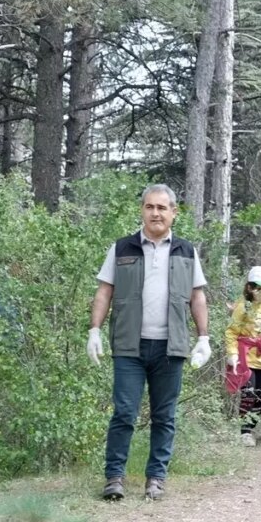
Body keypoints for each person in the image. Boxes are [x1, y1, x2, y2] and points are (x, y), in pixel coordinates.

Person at [87, 184, 211, 501]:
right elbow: (104, 291)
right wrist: (94, 330)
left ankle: (156, 478)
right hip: (130, 346)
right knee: (124, 413)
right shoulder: (122, 248)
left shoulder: (186, 250)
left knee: (164, 416)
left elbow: (197, 296)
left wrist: (204, 338)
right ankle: (114, 477)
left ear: (173, 213)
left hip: (170, 348)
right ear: (142, 210)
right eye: (149, 207)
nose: (155, 213)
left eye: (162, 208)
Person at [225, 266, 261, 446]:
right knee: (249, 393)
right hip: (246, 358)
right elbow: (231, 332)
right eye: (260, 289)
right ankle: (244, 432)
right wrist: (232, 354)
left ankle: (253, 427)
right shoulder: (243, 307)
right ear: (249, 288)